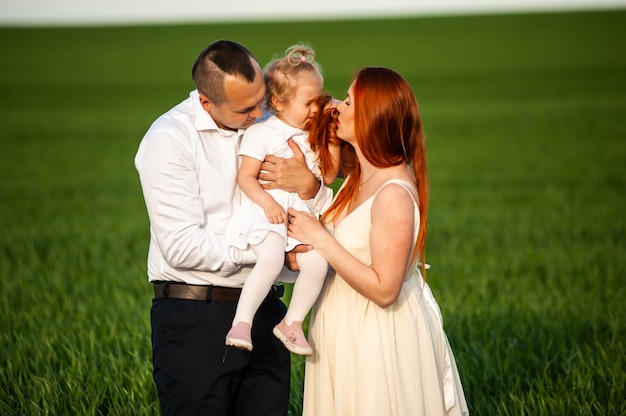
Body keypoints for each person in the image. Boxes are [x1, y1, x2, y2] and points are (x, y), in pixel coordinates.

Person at [134, 40, 332, 416]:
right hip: (195, 319)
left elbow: (316, 202)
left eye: (262, 100)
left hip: (267, 311)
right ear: (207, 102)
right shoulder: (169, 139)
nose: (260, 113)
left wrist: (309, 186)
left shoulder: (270, 123)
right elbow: (182, 247)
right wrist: (274, 253)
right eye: (246, 109)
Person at [287, 67, 469, 415]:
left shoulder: (394, 195)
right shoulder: (359, 177)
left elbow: (386, 289)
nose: (337, 107)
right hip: (344, 329)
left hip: (377, 338)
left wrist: (320, 239)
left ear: (370, 117)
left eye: (348, 101)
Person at [225, 45, 341, 356]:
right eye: (308, 103)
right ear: (278, 102)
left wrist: (329, 137)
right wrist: (268, 204)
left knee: (318, 261)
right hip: (270, 215)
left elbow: (328, 177)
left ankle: (291, 323)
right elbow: (246, 177)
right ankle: (242, 322)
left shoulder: (314, 133)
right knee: (272, 257)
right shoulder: (262, 133)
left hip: (299, 217)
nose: (316, 109)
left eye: (319, 101)